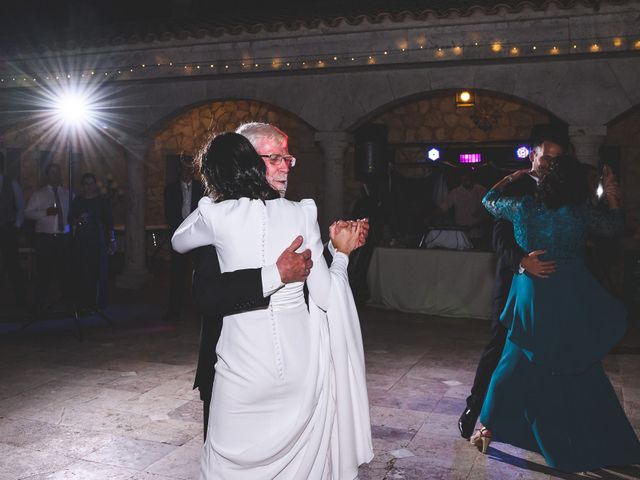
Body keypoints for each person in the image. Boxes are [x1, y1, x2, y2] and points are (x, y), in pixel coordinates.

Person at [172, 132, 373, 479]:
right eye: (274, 159)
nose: (285, 167)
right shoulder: (300, 213)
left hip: (243, 371)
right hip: (301, 370)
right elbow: (327, 297)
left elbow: (178, 240)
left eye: (288, 158)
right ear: (249, 161)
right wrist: (340, 254)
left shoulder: (215, 216)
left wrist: (216, 197)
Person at [473, 156, 640, 472]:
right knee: (568, 364)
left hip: (532, 294)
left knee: (516, 361)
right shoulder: (579, 213)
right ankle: (580, 437)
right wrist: (614, 194)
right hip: (568, 295)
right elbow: (616, 225)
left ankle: (488, 426)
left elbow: (488, 200)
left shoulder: (523, 207)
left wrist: (511, 177)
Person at [458, 125, 566, 439]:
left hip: (548, 286)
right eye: (546, 158)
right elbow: (500, 236)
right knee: (499, 345)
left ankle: (533, 415)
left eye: (556, 160)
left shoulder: (561, 190)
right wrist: (522, 261)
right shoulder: (515, 187)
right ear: (533, 156)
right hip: (513, 282)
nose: (549, 165)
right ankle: (474, 407)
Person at [25, 163, 72, 313]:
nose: (55, 176)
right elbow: (27, 213)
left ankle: (69, 305)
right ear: (47, 175)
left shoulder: (68, 194)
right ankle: (38, 306)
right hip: (45, 239)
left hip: (63, 238)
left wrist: (70, 229)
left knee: (65, 273)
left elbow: (72, 215)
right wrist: (45, 212)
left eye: (57, 173)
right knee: (44, 274)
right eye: (52, 173)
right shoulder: (38, 195)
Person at [163, 160, 205, 321]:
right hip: (179, 234)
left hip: (199, 236)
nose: (188, 172)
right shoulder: (171, 189)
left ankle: (200, 309)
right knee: (177, 274)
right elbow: (169, 213)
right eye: (185, 169)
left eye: (191, 169)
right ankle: (174, 310)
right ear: (180, 170)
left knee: (201, 272)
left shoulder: (201, 188)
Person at [69, 173, 116, 310]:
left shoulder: (102, 201)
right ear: (82, 186)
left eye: (91, 183)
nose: (89, 186)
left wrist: (112, 240)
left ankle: (96, 303)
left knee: (97, 271)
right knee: (82, 271)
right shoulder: (78, 200)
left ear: (95, 184)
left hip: (97, 240)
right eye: (86, 184)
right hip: (81, 240)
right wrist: (78, 220)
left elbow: (109, 222)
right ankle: (83, 302)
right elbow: (70, 219)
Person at [433, 170, 488, 248]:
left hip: (478, 234)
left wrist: (483, 213)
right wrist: (430, 217)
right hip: (461, 234)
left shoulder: (482, 190)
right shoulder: (456, 192)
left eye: (468, 178)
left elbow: (491, 208)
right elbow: (443, 207)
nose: (466, 180)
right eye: (464, 179)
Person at [0, 152, 27, 307]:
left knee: (13, 266)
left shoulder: (12, 183)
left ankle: (21, 302)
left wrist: (15, 226)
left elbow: (20, 207)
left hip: (7, 229)